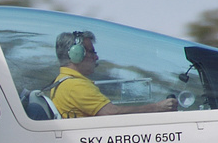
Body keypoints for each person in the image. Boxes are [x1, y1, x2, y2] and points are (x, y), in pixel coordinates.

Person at [49, 30, 177, 118]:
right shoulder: (75, 86)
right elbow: (112, 114)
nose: (96, 57)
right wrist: (158, 107)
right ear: (76, 55)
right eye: (91, 52)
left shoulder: (62, 81)